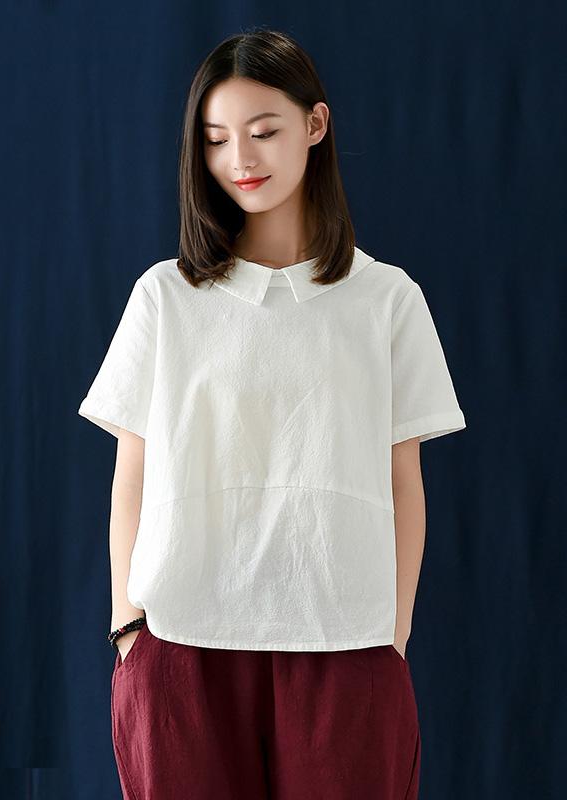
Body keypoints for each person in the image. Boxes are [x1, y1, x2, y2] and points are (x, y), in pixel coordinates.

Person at [78, 27, 466, 800]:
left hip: (347, 647)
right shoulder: (166, 296)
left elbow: (404, 482)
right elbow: (133, 475)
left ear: (315, 125)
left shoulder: (387, 300)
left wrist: (392, 637)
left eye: (263, 131)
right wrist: (128, 629)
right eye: (216, 138)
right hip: (181, 648)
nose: (240, 160)